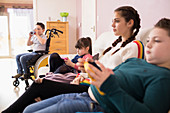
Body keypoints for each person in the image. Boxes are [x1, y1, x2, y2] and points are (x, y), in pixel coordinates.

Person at [2, 6, 143, 113]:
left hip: (93, 88)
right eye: (112, 21)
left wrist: (86, 75)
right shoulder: (115, 46)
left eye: (117, 21)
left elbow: (124, 79)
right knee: (37, 92)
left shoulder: (134, 47)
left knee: (40, 86)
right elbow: (101, 69)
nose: (112, 24)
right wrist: (84, 72)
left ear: (130, 23)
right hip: (86, 83)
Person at [22, 18, 170, 113]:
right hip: (83, 94)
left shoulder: (162, 77)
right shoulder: (135, 61)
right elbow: (109, 74)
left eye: (156, 41)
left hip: (94, 106)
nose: (148, 44)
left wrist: (110, 87)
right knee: (28, 110)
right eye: (149, 39)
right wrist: (91, 68)